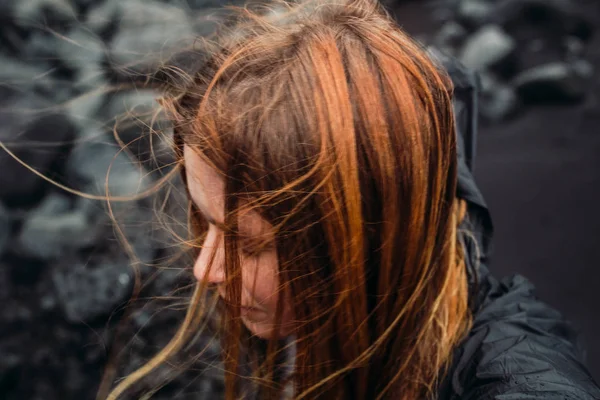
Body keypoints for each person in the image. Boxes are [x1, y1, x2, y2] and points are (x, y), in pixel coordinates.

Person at [107, 0, 600, 398]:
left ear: (363, 238)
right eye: (203, 218)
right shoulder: (410, 192)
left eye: (249, 243)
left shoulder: (515, 374)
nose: (205, 270)